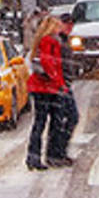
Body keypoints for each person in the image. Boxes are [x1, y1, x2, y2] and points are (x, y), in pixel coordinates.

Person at [24, 15, 66, 171]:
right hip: (47, 88)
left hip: (39, 87)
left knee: (40, 123)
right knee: (53, 122)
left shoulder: (41, 41)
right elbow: (50, 64)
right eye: (58, 25)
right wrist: (58, 82)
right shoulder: (50, 41)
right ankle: (48, 155)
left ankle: (33, 156)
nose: (60, 27)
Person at [45, 13, 79, 166]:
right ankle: (55, 152)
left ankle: (58, 152)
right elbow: (51, 63)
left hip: (63, 85)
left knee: (63, 119)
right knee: (65, 118)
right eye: (67, 24)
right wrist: (59, 81)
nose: (69, 27)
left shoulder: (64, 41)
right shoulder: (55, 41)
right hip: (58, 86)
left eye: (72, 24)